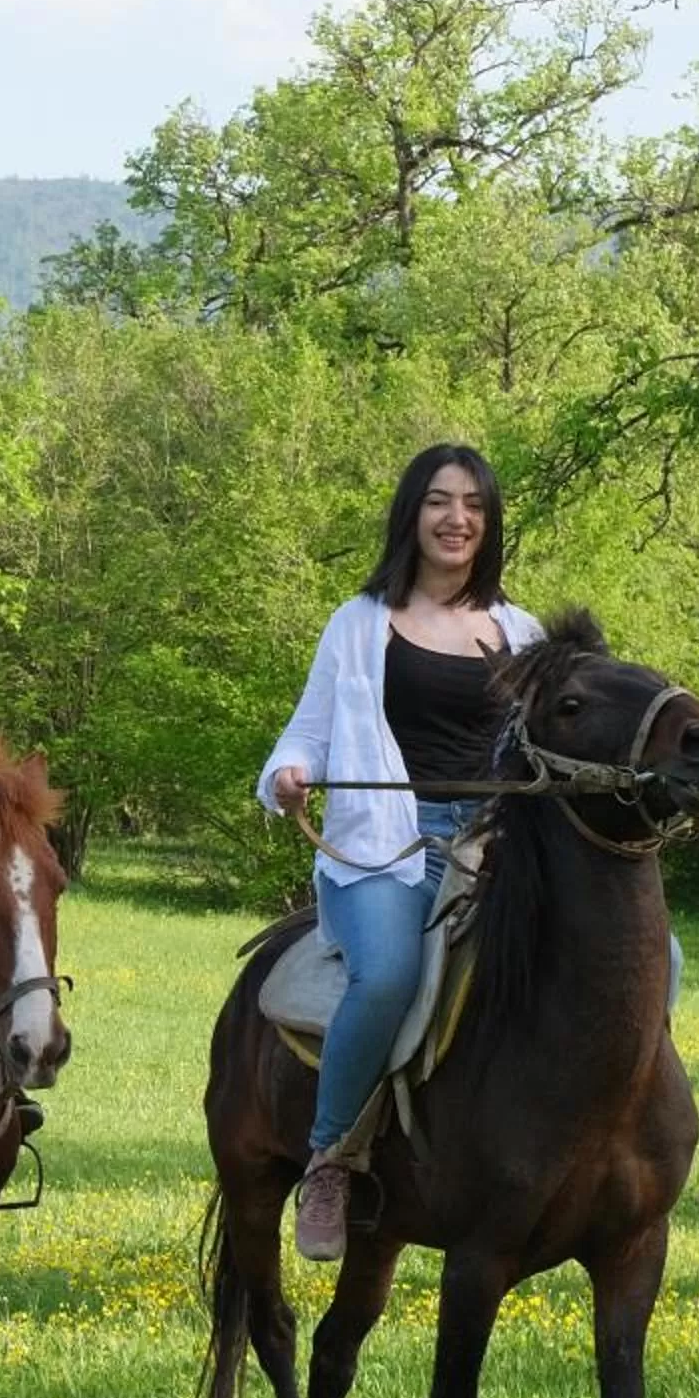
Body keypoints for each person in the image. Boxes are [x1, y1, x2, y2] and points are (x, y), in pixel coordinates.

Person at [258, 443, 545, 1261]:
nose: (458, 519)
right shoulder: (359, 624)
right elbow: (306, 733)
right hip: (385, 847)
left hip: (495, 848)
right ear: (411, 514)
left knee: (634, 954)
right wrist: (288, 773)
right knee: (387, 975)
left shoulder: (519, 631)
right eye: (440, 501)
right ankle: (331, 1157)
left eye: (475, 506)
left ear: (488, 525)